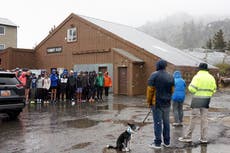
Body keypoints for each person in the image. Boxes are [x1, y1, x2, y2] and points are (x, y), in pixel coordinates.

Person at [179, 63, 217, 143]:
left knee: (193, 118)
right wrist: (208, 94)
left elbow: (191, 88)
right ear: (207, 69)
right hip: (206, 100)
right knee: (204, 119)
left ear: (199, 69)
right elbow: (214, 89)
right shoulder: (211, 77)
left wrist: (196, 92)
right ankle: (204, 138)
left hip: (197, 99)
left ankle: (188, 137)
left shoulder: (197, 77)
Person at [147, 59, 174, 149]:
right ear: (165, 66)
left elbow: (150, 91)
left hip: (157, 104)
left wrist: (149, 102)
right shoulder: (170, 76)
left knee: (158, 123)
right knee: (166, 123)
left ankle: (157, 143)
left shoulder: (154, 75)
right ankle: (167, 142)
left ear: (157, 66)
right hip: (167, 103)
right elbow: (172, 90)